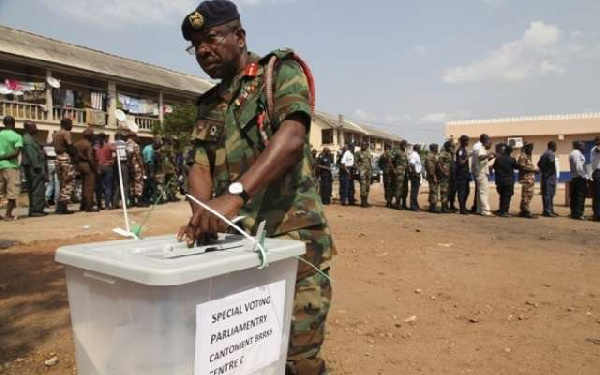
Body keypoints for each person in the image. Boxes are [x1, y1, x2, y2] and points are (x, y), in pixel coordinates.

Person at [177, 2, 335, 373]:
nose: (203, 50)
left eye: (211, 38)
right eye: (195, 44)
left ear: (239, 36)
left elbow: (293, 137)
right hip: (238, 247)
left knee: (298, 358)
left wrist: (231, 197)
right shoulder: (209, 104)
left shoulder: (279, 72)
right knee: (247, 351)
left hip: (294, 240)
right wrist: (203, 212)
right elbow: (199, 163)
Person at [21, 121, 48, 217]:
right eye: (34, 127)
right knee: (36, 189)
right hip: (35, 169)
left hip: (35, 168)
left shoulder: (30, 139)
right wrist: (37, 166)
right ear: (28, 128)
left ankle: (37, 209)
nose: (36, 129)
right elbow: (32, 154)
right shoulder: (28, 140)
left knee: (38, 189)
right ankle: (35, 210)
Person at [0, 116, 23, 220]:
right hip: (11, 167)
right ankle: (8, 215)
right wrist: (3, 157)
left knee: (1, 192)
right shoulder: (17, 136)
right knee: (12, 192)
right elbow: (16, 153)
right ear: (14, 123)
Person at [52, 118, 76, 215]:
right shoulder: (66, 133)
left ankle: (60, 207)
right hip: (65, 158)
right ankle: (63, 207)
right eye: (70, 124)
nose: (71, 126)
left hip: (57, 158)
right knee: (68, 182)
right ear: (66, 124)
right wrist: (74, 154)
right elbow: (70, 145)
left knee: (62, 182)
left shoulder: (55, 134)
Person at [74, 128, 99, 212]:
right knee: (89, 187)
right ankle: (89, 206)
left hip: (80, 165)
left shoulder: (77, 144)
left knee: (84, 186)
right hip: (88, 166)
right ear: (90, 136)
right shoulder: (88, 145)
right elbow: (90, 158)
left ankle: (83, 205)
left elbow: (75, 156)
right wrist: (95, 168)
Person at [493, 144, 518, 217]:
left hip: (500, 181)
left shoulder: (498, 159)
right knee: (507, 197)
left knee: (502, 196)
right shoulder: (512, 159)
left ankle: (501, 209)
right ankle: (504, 212)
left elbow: (494, 167)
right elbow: (516, 167)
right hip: (508, 181)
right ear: (510, 152)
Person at [517, 142, 538, 219]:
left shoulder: (528, 157)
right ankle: (526, 211)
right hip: (526, 179)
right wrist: (534, 170)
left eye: (532, 148)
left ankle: (524, 210)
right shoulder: (523, 156)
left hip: (530, 179)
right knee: (526, 195)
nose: (531, 150)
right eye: (530, 148)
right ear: (526, 148)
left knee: (529, 194)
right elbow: (522, 167)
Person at [126, 132, 148, 207]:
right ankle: (139, 201)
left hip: (129, 167)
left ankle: (132, 201)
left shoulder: (126, 144)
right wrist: (142, 167)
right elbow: (139, 157)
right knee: (139, 183)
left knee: (131, 184)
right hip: (136, 167)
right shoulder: (135, 145)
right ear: (133, 137)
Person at [475, 134, 494, 216]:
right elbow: (480, 157)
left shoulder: (482, 149)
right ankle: (485, 210)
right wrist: (489, 153)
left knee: (480, 192)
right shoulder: (481, 149)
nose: (490, 145)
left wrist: (491, 157)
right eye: (490, 143)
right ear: (485, 142)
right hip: (481, 173)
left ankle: (479, 209)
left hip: (481, 172)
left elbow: (483, 161)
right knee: (484, 192)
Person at [538, 141, 559, 217]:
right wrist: (549, 172)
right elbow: (551, 162)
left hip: (545, 177)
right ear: (553, 146)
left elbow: (539, 164)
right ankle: (547, 211)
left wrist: (544, 171)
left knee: (548, 194)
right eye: (556, 146)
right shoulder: (550, 154)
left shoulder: (544, 154)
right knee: (548, 194)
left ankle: (550, 210)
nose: (556, 148)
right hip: (549, 178)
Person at [569, 141, 588, 220]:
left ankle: (574, 213)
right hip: (579, 178)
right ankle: (578, 214)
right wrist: (585, 176)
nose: (584, 147)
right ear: (579, 146)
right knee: (580, 197)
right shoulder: (577, 154)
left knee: (574, 196)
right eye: (583, 146)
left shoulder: (573, 153)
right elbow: (579, 167)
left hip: (575, 177)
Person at [97, 134, 115, 210]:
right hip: (107, 166)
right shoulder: (108, 146)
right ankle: (107, 205)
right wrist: (112, 160)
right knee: (108, 187)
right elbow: (115, 151)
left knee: (99, 187)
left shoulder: (96, 146)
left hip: (99, 167)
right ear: (105, 138)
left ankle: (99, 205)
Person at [112, 132, 130, 209]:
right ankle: (124, 203)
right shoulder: (124, 144)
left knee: (117, 184)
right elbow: (129, 153)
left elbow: (113, 155)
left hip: (115, 165)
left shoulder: (113, 144)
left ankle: (114, 203)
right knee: (125, 184)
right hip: (123, 164)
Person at [455, 135, 471, 215]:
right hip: (461, 174)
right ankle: (462, 208)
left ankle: (463, 207)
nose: (468, 142)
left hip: (465, 174)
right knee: (462, 192)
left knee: (467, 191)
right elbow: (460, 162)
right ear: (463, 141)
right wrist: (467, 157)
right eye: (466, 141)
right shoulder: (460, 151)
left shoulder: (464, 150)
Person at [161, 135, 180, 202]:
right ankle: (173, 195)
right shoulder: (169, 147)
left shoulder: (162, 148)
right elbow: (172, 158)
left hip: (164, 167)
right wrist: (176, 166)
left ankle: (168, 195)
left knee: (166, 182)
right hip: (170, 166)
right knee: (173, 181)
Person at [392, 140, 409, 210]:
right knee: (398, 188)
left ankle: (404, 204)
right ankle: (397, 204)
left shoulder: (404, 153)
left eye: (406, 145)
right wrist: (394, 169)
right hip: (399, 172)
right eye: (404, 145)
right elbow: (391, 160)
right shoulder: (397, 151)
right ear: (401, 145)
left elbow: (406, 163)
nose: (405, 146)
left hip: (405, 173)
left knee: (405, 189)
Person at [437, 141, 454, 213]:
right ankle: (443, 207)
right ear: (447, 147)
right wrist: (444, 172)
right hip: (444, 175)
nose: (452, 148)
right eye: (451, 146)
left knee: (447, 191)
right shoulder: (443, 153)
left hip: (448, 175)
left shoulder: (449, 154)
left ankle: (446, 206)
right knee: (444, 191)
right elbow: (439, 164)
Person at [355, 142, 372, 208]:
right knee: (363, 186)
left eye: (365, 145)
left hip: (369, 171)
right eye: (362, 145)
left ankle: (366, 201)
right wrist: (359, 169)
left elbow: (370, 162)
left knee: (368, 186)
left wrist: (371, 170)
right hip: (362, 172)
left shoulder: (368, 152)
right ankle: (363, 202)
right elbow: (355, 162)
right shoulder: (358, 153)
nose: (363, 146)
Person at [425, 143, 440, 213]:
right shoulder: (430, 156)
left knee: (433, 191)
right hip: (432, 176)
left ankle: (432, 206)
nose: (437, 150)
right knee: (434, 191)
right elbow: (430, 168)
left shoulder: (432, 156)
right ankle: (433, 207)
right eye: (437, 148)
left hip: (433, 176)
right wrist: (434, 177)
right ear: (434, 149)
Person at [408, 144, 422, 211]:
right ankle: (413, 206)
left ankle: (415, 205)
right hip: (414, 175)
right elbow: (412, 164)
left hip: (415, 174)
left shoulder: (415, 154)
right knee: (414, 191)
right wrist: (415, 173)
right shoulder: (414, 155)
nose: (420, 150)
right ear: (417, 148)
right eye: (419, 148)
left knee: (415, 191)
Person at [591, 136, 600, 221]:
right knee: (597, 195)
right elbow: (598, 149)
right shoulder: (595, 149)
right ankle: (597, 215)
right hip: (598, 173)